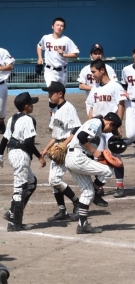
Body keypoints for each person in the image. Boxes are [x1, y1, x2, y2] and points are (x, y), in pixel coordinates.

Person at [65, 113, 121, 234]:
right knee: (108, 171)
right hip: (77, 157)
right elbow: (81, 136)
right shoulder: (97, 123)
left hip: (75, 158)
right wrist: (94, 151)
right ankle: (96, 193)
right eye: (112, 129)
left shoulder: (98, 128)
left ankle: (82, 225)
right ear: (110, 123)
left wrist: (97, 157)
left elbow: (87, 147)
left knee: (87, 192)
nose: (109, 132)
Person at [0, 92, 45, 232]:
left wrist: (0, 154)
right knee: (20, 189)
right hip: (20, 155)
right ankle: (14, 223)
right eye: (31, 103)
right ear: (26, 106)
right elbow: (29, 142)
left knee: (31, 183)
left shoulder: (13, 118)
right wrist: (40, 156)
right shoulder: (28, 120)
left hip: (12, 153)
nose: (33, 106)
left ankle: (12, 213)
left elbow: (4, 139)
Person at [40, 82, 81, 222]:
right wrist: (46, 149)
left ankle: (77, 203)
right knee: (52, 181)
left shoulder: (69, 108)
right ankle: (62, 210)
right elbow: (55, 135)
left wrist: (63, 145)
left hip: (67, 146)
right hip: (58, 146)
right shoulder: (55, 110)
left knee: (55, 180)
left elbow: (76, 129)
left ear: (60, 94)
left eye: (51, 93)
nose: (49, 96)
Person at [87, 59, 126, 201]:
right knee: (99, 157)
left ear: (102, 70)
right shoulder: (95, 88)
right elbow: (91, 107)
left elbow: (121, 105)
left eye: (94, 72)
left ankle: (120, 185)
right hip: (98, 128)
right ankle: (100, 186)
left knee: (115, 155)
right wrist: (90, 125)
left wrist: (118, 125)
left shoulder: (115, 86)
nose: (92, 75)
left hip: (111, 127)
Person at [36, 17, 79, 86]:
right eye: (57, 25)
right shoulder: (46, 38)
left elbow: (75, 54)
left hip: (62, 71)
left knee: (61, 92)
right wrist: (40, 58)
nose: (59, 27)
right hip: (49, 70)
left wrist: (64, 55)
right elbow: (39, 46)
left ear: (64, 28)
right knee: (52, 90)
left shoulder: (66, 40)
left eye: (61, 26)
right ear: (52, 26)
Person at [77, 43, 117, 114]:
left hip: (106, 99)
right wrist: (95, 89)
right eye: (95, 53)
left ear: (102, 55)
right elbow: (81, 85)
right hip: (91, 99)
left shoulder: (109, 69)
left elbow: (114, 84)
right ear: (91, 55)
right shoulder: (85, 69)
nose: (97, 55)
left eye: (99, 53)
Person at [0, 47, 14, 135]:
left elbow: (10, 66)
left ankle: (1, 122)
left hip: (0, 84)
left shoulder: (2, 52)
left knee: (1, 110)